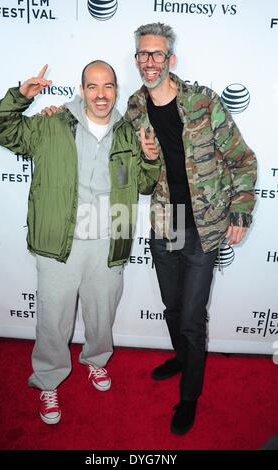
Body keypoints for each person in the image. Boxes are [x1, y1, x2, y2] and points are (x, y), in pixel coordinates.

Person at [0, 61, 161, 425]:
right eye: (93, 86)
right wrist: (19, 98)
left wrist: (150, 159)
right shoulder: (52, 124)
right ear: (81, 90)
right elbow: (4, 130)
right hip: (60, 243)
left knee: (102, 315)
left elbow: (143, 184)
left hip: (107, 241)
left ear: (116, 90)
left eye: (108, 87)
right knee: (53, 319)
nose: (101, 95)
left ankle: (96, 362)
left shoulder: (129, 133)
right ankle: (49, 379)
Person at [124, 23, 257, 435]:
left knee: (192, 318)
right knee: (173, 307)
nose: (150, 61)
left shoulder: (203, 103)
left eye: (157, 54)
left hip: (205, 225)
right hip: (166, 222)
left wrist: (241, 212)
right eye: (143, 54)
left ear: (171, 59)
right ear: (137, 61)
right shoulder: (133, 109)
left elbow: (244, 161)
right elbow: (140, 180)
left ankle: (189, 395)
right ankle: (182, 358)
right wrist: (145, 158)